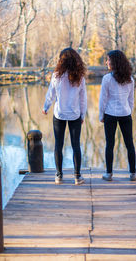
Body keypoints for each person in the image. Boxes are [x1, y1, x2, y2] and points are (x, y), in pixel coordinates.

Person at [43, 48, 87, 185]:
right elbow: (83, 99)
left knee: (58, 144)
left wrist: (45, 107)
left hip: (59, 114)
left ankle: (59, 176)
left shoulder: (56, 75)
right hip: (75, 115)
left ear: (61, 61)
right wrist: (83, 114)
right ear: (76, 60)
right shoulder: (80, 77)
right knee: (75, 145)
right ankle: (77, 176)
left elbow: (51, 94)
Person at [99, 50, 136, 181]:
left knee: (110, 144)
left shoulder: (107, 79)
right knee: (129, 144)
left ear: (114, 62)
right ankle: (133, 174)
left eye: (108, 60)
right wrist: (128, 111)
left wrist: (101, 115)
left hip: (110, 114)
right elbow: (131, 100)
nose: (106, 62)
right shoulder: (130, 79)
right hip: (125, 114)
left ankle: (109, 174)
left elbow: (103, 99)